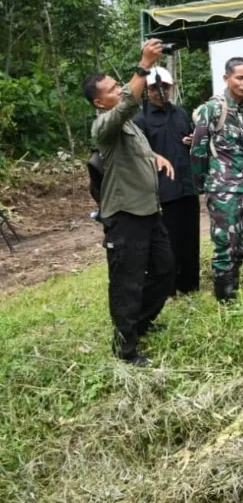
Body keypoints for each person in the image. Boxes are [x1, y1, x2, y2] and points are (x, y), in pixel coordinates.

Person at [83, 39, 176, 366]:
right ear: (99, 102)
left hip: (149, 212)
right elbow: (126, 105)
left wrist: (157, 157)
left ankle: (140, 324)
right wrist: (144, 65)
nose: (119, 89)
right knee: (127, 283)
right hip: (125, 217)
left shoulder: (128, 128)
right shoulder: (104, 126)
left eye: (118, 84)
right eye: (111, 89)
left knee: (165, 271)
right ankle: (125, 350)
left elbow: (138, 153)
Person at [191, 57, 243, 303]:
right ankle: (225, 301)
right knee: (224, 245)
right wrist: (202, 183)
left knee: (242, 242)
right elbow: (198, 149)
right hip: (221, 188)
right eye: (240, 77)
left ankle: (234, 288)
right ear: (226, 78)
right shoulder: (213, 108)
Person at [134, 66, 200, 296]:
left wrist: (193, 141)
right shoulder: (140, 120)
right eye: (154, 87)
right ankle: (168, 289)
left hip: (187, 187)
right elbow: (137, 157)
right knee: (167, 244)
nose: (160, 91)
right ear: (146, 89)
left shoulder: (181, 113)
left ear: (172, 87)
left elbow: (194, 141)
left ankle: (190, 284)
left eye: (165, 86)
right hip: (163, 192)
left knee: (190, 239)